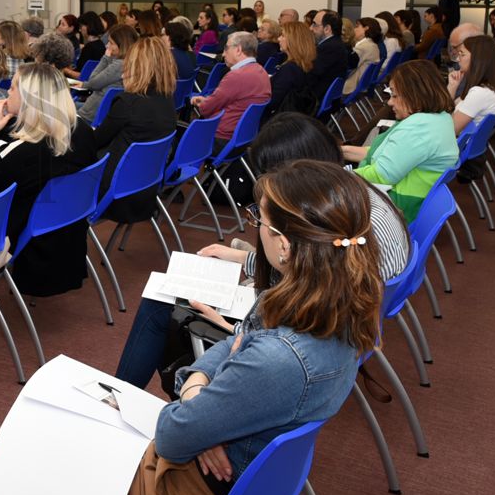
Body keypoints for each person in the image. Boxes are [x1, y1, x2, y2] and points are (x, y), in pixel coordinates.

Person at [122, 161, 383, 495]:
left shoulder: (279, 356)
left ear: (285, 246)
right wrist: (202, 398)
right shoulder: (340, 300)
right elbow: (239, 337)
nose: (255, 228)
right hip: (250, 473)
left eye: (260, 221)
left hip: (198, 489)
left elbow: (171, 435)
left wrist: (193, 393)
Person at [114, 114, 409, 391]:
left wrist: (227, 326)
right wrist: (247, 259)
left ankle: (118, 397)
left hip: (300, 336)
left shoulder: (330, 223)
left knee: (160, 303)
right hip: (339, 329)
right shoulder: (354, 199)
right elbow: (317, 265)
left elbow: (294, 309)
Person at [0, 63, 96, 297]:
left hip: (26, 239)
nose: (8, 92)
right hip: (65, 230)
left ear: (29, 98)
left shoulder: (25, 152)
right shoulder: (84, 132)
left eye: (14, 87)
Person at [342, 59, 458, 222]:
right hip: (409, 200)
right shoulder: (440, 118)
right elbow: (386, 154)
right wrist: (343, 151)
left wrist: (337, 176)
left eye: (395, 96)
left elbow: (381, 176)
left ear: (415, 96)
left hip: (393, 209)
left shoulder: (417, 128)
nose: (390, 102)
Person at [92, 36, 177, 216]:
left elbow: (95, 141)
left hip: (112, 194)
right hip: (145, 190)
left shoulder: (127, 103)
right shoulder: (168, 101)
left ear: (136, 66)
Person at [190, 31, 271, 142]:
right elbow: (236, 103)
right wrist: (208, 101)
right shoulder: (262, 72)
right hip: (243, 138)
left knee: (179, 135)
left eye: (226, 48)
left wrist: (205, 103)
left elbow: (205, 109)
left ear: (238, 50)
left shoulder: (236, 76)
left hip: (220, 137)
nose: (223, 54)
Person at [447, 35, 495, 134]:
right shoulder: (489, 86)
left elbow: (450, 130)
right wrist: (452, 86)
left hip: (455, 144)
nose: (458, 59)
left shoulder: (480, 93)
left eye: (462, 54)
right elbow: (450, 106)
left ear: (477, 59)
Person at [78, 24, 137, 124]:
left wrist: (105, 58)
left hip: (90, 115)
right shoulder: (130, 62)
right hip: (99, 111)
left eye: (111, 43)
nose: (107, 46)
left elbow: (92, 83)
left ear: (122, 45)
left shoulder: (119, 65)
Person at [264, 21, 315, 121]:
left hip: (277, 122)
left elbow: (272, 102)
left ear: (293, 40)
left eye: (283, 36)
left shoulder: (289, 69)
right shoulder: (304, 64)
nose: (278, 39)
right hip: (295, 119)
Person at [307, 9, 349, 103]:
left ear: (327, 29)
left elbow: (310, 76)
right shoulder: (335, 44)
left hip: (315, 100)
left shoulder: (329, 48)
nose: (310, 28)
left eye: (314, 24)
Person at [344, 17, 382, 95]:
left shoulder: (364, 47)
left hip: (350, 86)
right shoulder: (372, 45)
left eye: (357, 26)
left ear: (366, 28)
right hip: (362, 85)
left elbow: (348, 68)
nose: (354, 29)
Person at [63, 12, 106, 78]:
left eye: (81, 26)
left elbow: (81, 74)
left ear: (88, 26)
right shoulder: (102, 45)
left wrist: (65, 70)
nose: (80, 30)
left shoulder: (89, 48)